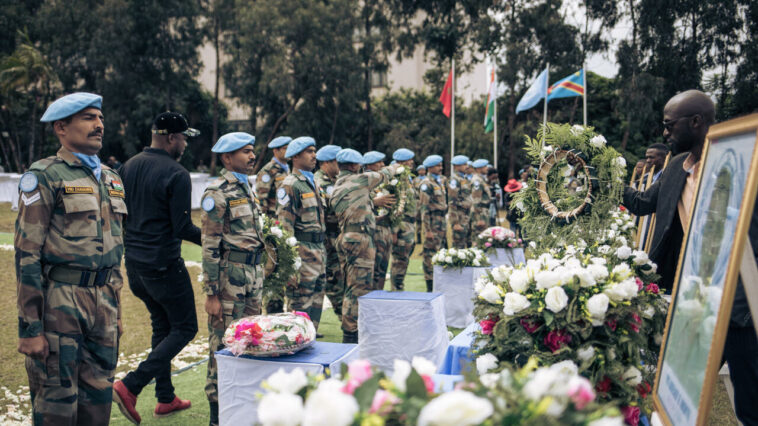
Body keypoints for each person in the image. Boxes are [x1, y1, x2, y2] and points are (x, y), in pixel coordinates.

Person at [623, 90, 757, 425]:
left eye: (670, 126)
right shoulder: (674, 171)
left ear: (696, 122)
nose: (665, 133)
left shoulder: (741, 163)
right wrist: (604, 181)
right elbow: (642, 204)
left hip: (742, 305)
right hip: (697, 301)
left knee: (750, 401)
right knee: (678, 391)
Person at [15, 92, 125, 424]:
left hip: (103, 302)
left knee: (98, 404)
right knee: (56, 406)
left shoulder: (111, 178)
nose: (99, 125)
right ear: (62, 128)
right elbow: (27, 253)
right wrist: (30, 327)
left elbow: (116, 250)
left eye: (100, 118)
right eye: (89, 118)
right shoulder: (45, 175)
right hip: (61, 303)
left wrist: (117, 309)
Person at [113, 111, 201, 424]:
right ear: (170, 137)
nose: (186, 144)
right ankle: (131, 384)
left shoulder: (128, 166)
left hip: (135, 266)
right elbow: (182, 228)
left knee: (163, 327)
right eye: (183, 137)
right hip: (163, 265)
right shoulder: (177, 173)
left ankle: (165, 398)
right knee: (186, 328)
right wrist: (218, 240)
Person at [200, 132, 265, 426]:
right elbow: (210, 245)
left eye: (252, 151)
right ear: (227, 158)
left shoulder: (247, 188)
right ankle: (217, 417)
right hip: (229, 280)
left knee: (251, 338)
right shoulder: (218, 192)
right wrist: (211, 293)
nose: (252, 157)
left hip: (252, 275)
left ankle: (243, 408)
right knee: (223, 345)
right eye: (246, 152)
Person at [330, 148, 398, 342]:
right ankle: (351, 334)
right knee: (358, 289)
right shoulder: (360, 181)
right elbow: (385, 174)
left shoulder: (339, 184)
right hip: (360, 239)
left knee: (351, 286)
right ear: (354, 165)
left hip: (346, 237)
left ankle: (352, 330)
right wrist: (397, 168)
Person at [277, 137, 326, 329]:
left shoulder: (312, 182)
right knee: (299, 309)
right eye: (309, 151)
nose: (314, 155)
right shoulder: (290, 185)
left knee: (316, 305)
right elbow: (284, 228)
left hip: (318, 253)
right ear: (295, 156)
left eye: (314, 151)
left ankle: (311, 343)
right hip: (302, 256)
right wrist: (290, 265)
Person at [256, 136, 291, 313]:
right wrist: (267, 230)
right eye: (285, 148)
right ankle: (273, 314)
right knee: (273, 272)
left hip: (286, 227)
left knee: (285, 269)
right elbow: (261, 200)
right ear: (275, 151)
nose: (288, 151)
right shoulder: (268, 171)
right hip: (273, 228)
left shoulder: (288, 169)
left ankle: (285, 314)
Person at [314, 144, 344, 321]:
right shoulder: (321, 182)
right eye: (337, 162)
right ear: (326, 163)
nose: (341, 166)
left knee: (336, 278)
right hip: (326, 238)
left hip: (334, 237)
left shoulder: (334, 180)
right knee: (333, 280)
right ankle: (346, 322)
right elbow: (332, 209)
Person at [363, 151, 396, 290]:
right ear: (369, 165)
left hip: (385, 229)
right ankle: (372, 298)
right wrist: (374, 202)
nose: (383, 165)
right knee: (373, 269)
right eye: (379, 162)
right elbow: (357, 201)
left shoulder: (384, 182)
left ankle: (380, 296)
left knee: (383, 268)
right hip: (372, 231)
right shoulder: (363, 181)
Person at [390, 148, 418, 291]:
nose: (412, 162)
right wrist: (394, 230)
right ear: (401, 162)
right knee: (399, 260)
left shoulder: (407, 178)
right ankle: (396, 288)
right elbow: (395, 205)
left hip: (409, 225)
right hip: (401, 226)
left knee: (404, 259)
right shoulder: (398, 179)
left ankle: (398, 287)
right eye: (409, 160)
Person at [418, 155, 447, 292]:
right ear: (430, 168)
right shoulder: (426, 184)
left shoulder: (438, 182)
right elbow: (424, 209)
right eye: (438, 166)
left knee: (440, 252)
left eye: (441, 165)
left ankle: (438, 282)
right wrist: (427, 230)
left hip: (441, 222)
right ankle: (430, 285)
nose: (441, 168)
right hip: (432, 222)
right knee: (430, 254)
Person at [448, 155, 472, 248]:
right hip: (459, 215)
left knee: (467, 242)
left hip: (466, 215)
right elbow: (452, 202)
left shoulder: (464, 179)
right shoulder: (454, 180)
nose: (467, 166)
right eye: (464, 164)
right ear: (456, 166)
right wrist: (455, 222)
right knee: (459, 245)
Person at [470, 159, 491, 240]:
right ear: (479, 169)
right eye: (485, 166)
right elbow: (476, 200)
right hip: (480, 213)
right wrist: (479, 219)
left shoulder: (481, 179)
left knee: (485, 237)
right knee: (479, 238)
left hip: (483, 211)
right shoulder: (477, 181)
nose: (487, 168)